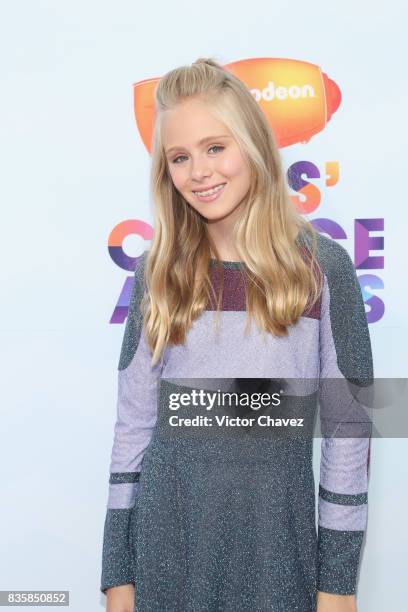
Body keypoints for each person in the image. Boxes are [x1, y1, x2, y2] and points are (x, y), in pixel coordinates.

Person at [100, 57, 373, 612]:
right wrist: (118, 575)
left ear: (253, 144)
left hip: (282, 557)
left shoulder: (324, 269)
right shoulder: (157, 274)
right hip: (167, 556)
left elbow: (352, 433)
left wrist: (338, 587)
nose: (199, 171)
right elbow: (132, 427)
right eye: (180, 157)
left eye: (215, 147)